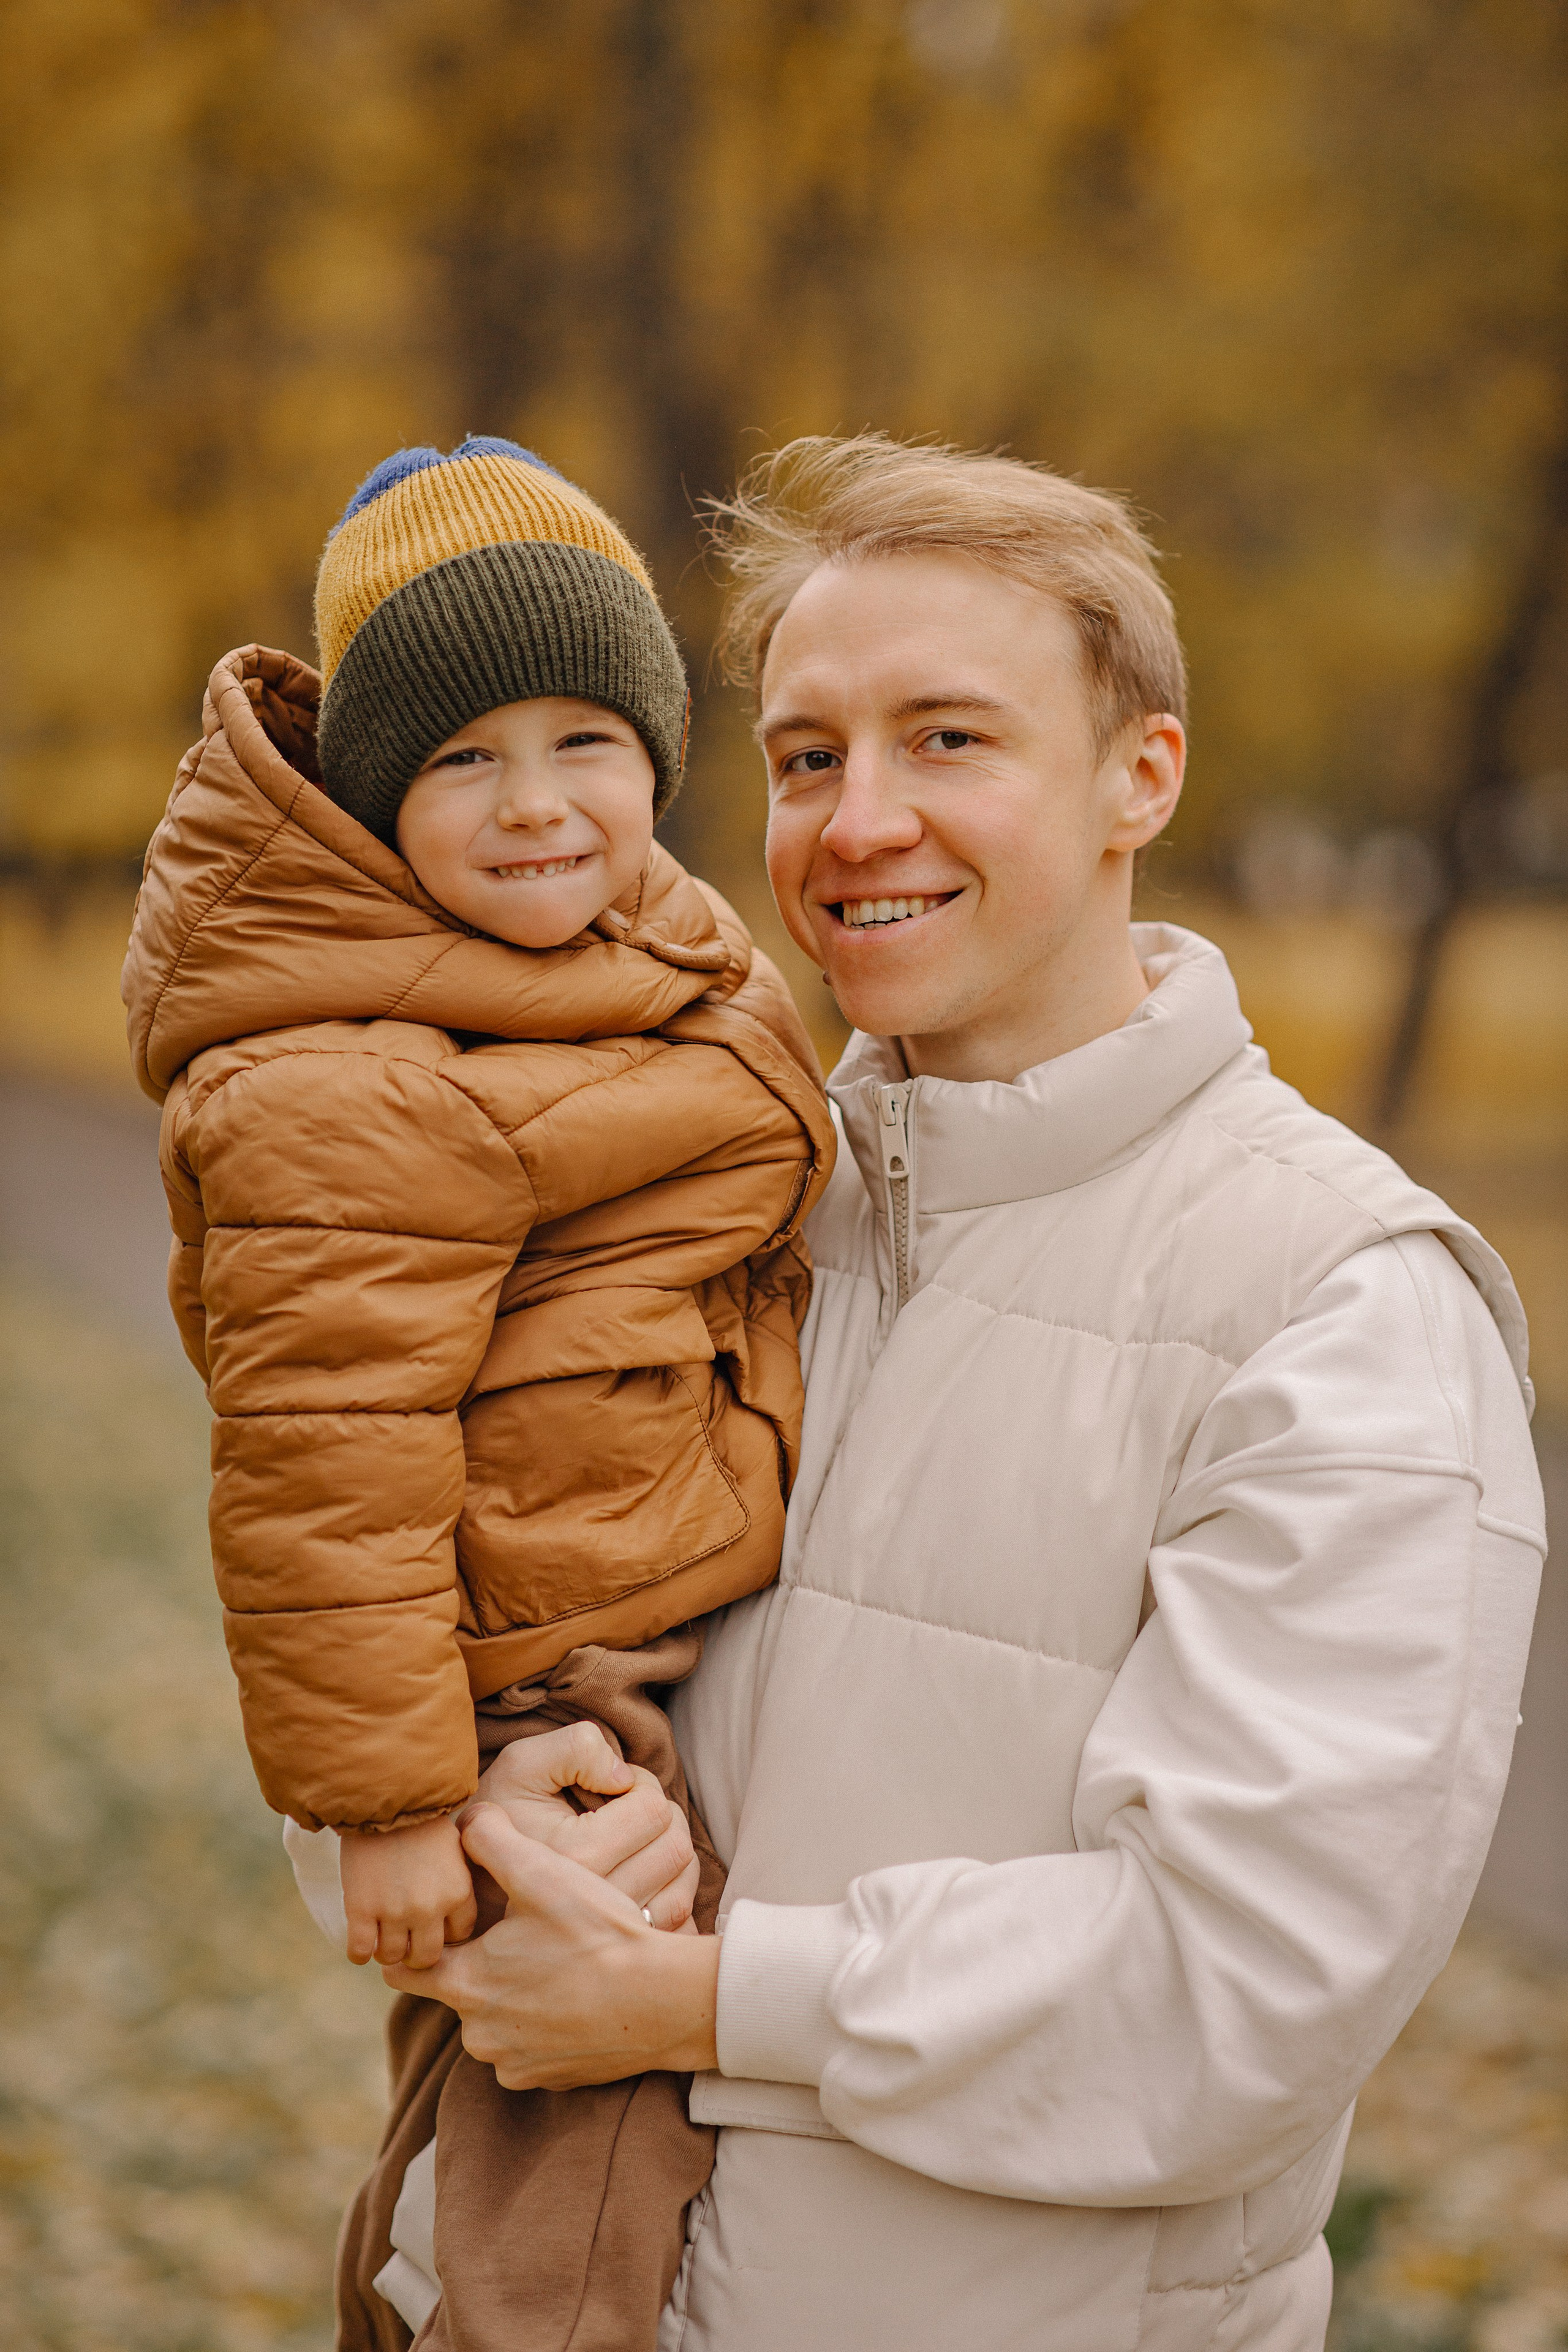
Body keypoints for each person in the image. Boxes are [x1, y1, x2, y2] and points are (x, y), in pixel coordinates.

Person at [371, 433, 1548, 2352]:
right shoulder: (687, 1191)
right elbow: (382, 1634)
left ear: (1139, 775)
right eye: (807, 756)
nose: (856, 824)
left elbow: (1239, 1988)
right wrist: (490, 1795)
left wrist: (697, 1999)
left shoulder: (1334, 1304)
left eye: (948, 740)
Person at [121, 435, 835, 2352]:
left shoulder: (627, 952)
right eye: (459, 760)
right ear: (375, 800)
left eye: (585, 740)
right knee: (574, 2148)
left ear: (658, 756)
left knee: (491, 2110)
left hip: (622, 1587)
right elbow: (320, 1464)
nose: (535, 803)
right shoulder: (344, 1072)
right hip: (540, 1660)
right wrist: (390, 1804)